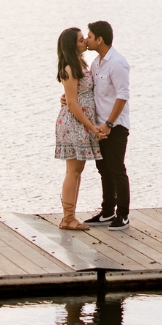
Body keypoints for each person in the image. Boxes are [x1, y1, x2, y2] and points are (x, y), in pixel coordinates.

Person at [84, 20, 131, 231]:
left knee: (117, 169)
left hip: (115, 125)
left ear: (100, 39)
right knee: (103, 169)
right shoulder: (96, 63)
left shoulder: (117, 63)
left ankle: (123, 215)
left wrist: (109, 124)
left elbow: (122, 96)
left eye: (90, 36)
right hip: (99, 126)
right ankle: (107, 211)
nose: (87, 39)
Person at [55, 26, 101, 231]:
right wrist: (92, 126)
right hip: (74, 123)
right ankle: (67, 217)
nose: (84, 41)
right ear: (72, 45)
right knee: (73, 171)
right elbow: (72, 103)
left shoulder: (80, 63)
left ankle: (70, 215)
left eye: (84, 38)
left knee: (78, 170)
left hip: (80, 122)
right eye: (81, 39)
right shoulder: (69, 68)